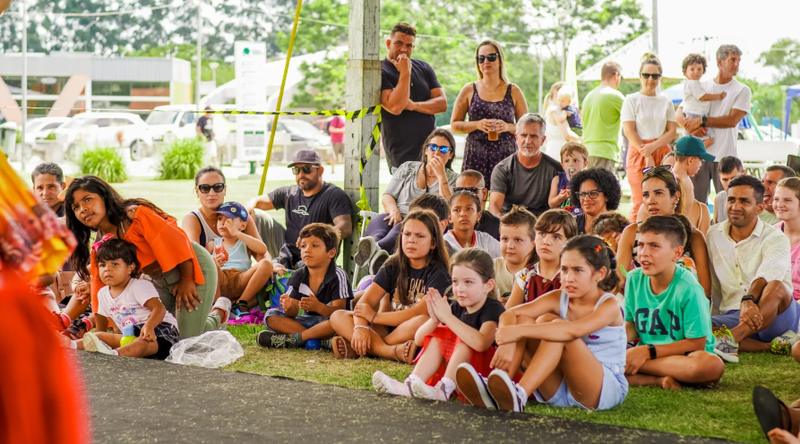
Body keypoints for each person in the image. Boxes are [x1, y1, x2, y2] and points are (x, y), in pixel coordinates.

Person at [459, 235, 627, 412]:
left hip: (601, 390)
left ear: (599, 274)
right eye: (564, 269)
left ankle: (520, 394)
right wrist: (508, 341)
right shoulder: (558, 298)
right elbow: (510, 314)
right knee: (529, 320)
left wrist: (518, 332)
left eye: (577, 270)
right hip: (561, 387)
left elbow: (572, 331)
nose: (568, 278)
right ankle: (500, 384)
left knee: (556, 328)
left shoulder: (609, 305)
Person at [65, 176, 228, 340]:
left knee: (186, 341)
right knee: (167, 335)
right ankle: (199, 321)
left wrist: (186, 279)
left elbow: (179, 241)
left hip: (191, 267)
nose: (83, 209)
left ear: (104, 197)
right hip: (159, 282)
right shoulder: (103, 243)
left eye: (87, 199)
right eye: (76, 207)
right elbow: (100, 289)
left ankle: (218, 315)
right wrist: (101, 334)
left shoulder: (134, 215)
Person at [372, 248, 504, 402]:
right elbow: (419, 339)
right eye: (455, 282)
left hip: (483, 375)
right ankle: (411, 383)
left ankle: (443, 391)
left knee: (463, 341)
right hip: (458, 371)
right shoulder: (456, 307)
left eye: (468, 282)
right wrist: (434, 320)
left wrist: (447, 318)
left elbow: (481, 343)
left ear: (488, 285)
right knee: (438, 335)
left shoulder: (493, 307)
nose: (460, 289)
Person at [330, 210, 450, 363]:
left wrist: (374, 317)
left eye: (420, 236)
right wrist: (360, 328)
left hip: (412, 329)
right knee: (338, 316)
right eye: (407, 234)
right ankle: (389, 351)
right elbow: (364, 304)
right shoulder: (393, 263)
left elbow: (420, 312)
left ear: (433, 243)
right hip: (387, 328)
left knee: (423, 320)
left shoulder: (439, 271)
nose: (411, 240)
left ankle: (364, 348)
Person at [623, 216, 724, 390]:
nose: (644, 253)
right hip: (656, 359)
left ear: (677, 253)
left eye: (654, 246)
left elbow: (696, 343)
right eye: (641, 245)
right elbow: (631, 324)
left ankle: (628, 366)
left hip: (684, 358)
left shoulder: (689, 288)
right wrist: (613, 341)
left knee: (711, 365)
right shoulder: (633, 279)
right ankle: (656, 380)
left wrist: (646, 352)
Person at [707, 175, 800, 362]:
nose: (735, 206)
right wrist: (713, 317)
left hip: (777, 316)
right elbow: (715, 284)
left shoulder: (774, 236)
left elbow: (769, 272)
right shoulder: (713, 234)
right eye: (731, 199)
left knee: (776, 286)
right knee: (698, 325)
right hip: (734, 315)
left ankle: (730, 338)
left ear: (759, 208)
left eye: (744, 201)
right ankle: (770, 346)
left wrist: (748, 300)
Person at [357, 128, 458, 264]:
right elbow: (388, 195)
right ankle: (374, 252)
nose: (437, 152)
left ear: (451, 155)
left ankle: (377, 252)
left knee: (407, 225)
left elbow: (448, 209)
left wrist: (441, 175)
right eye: (432, 147)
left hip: (426, 224)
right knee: (381, 222)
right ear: (426, 150)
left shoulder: (453, 179)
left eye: (443, 149)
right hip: (396, 215)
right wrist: (393, 210)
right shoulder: (407, 168)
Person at [617, 166, 712, 297]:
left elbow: (705, 289)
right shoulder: (631, 233)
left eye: (658, 193)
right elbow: (618, 279)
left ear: (675, 196)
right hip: (642, 308)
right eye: (646, 195)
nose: (651, 200)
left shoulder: (693, 236)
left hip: (683, 309)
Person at [248, 149, 352, 269]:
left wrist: (314, 235)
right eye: (297, 170)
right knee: (254, 214)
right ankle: (262, 264)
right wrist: (239, 214)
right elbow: (254, 201)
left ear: (320, 171)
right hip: (286, 250)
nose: (301, 174)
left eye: (307, 169)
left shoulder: (334, 195)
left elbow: (345, 227)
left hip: (315, 254)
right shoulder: (289, 192)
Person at [79, 239, 180, 360]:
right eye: (102, 265)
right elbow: (108, 325)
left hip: (159, 329)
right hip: (130, 334)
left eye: (115, 264)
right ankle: (69, 345)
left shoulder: (138, 286)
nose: (107, 269)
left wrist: (149, 326)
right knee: (98, 335)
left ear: (130, 267)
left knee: (141, 343)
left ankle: (114, 356)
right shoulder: (102, 294)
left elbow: (159, 309)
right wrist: (100, 340)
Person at [257, 223, 353, 349]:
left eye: (314, 245)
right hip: (307, 322)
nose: (307, 249)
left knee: (337, 322)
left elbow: (340, 312)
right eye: (303, 246)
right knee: (271, 316)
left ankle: (296, 339)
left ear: (331, 253)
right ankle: (319, 341)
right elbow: (293, 312)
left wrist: (318, 307)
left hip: (330, 323)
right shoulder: (298, 275)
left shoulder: (338, 275)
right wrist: (288, 307)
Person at [677, 45, 752, 204]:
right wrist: (688, 125)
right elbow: (680, 111)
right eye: (733, 60)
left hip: (726, 156)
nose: (736, 64)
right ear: (720, 61)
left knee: (729, 204)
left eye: (738, 61)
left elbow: (732, 120)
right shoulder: (700, 85)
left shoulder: (742, 90)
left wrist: (702, 121)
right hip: (699, 156)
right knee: (694, 203)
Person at [451, 39, 528, 188]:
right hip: (475, 153)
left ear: (500, 61)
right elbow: (454, 125)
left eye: (491, 57)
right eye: (481, 58)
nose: (486, 61)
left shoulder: (513, 90)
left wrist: (506, 127)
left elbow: (526, 128)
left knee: (506, 201)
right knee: (472, 199)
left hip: (506, 154)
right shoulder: (469, 89)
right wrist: (477, 125)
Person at [380, 22, 447, 171]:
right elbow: (395, 107)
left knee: (438, 194)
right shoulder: (380, 70)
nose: (404, 49)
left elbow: (442, 104)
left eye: (409, 45)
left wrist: (413, 105)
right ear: (388, 43)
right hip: (402, 157)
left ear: (413, 47)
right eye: (398, 43)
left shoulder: (424, 67)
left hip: (432, 153)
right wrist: (405, 72)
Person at [182, 166, 282, 260]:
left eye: (217, 187)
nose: (211, 193)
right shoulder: (193, 219)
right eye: (205, 188)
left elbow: (261, 252)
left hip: (241, 275)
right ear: (197, 192)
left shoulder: (239, 215)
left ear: (225, 190)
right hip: (211, 275)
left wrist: (270, 266)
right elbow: (195, 256)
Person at [622, 55, 678, 221]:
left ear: (660, 78)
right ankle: (634, 241)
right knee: (641, 201)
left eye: (655, 76)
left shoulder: (665, 101)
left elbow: (671, 131)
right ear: (640, 76)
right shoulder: (631, 100)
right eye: (646, 75)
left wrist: (653, 148)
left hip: (662, 149)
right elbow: (629, 131)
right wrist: (646, 153)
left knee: (665, 200)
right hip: (639, 150)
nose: (650, 79)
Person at [206, 202, 272, 319]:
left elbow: (263, 249)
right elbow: (202, 264)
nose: (223, 223)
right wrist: (214, 262)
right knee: (210, 260)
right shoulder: (213, 244)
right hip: (220, 280)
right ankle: (218, 305)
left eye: (229, 220)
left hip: (241, 279)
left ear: (242, 226)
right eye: (220, 219)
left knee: (266, 264)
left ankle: (241, 303)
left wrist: (236, 233)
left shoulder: (245, 243)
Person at [489, 113, 564, 217]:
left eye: (533, 136)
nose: (528, 141)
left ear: (542, 140)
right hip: (510, 223)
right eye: (523, 135)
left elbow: (561, 208)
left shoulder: (556, 169)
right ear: (516, 138)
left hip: (542, 226)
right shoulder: (502, 169)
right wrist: (506, 227)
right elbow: (494, 209)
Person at [505, 209, 577, 309]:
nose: (546, 242)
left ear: (569, 242)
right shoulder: (525, 275)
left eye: (556, 237)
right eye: (542, 234)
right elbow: (508, 314)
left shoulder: (572, 275)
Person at [644, 136, 714, 234]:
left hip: (681, 228)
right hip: (672, 231)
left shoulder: (685, 178)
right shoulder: (675, 180)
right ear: (690, 160)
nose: (701, 165)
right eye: (701, 161)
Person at [581, 62, 625, 172]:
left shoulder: (588, 96)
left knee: (591, 188)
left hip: (587, 151)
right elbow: (634, 118)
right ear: (616, 76)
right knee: (604, 188)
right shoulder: (615, 95)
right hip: (605, 152)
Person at [681, 54, 727, 149]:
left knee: (691, 137)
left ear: (703, 70)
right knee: (710, 138)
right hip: (696, 115)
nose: (696, 72)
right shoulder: (693, 84)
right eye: (692, 69)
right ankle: (697, 153)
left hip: (690, 113)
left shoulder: (689, 83)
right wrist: (718, 96)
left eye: (699, 69)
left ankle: (690, 152)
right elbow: (702, 97)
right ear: (685, 72)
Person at [495, 206, 537, 301]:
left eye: (518, 240)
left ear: (533, 244)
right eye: (505, 239)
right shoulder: (490, 269)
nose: (510, 246)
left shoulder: (539, 272)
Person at [444, 191, 501, 259]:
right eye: (457, 210)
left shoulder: (486, 241)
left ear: (478, 216)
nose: (463, 214)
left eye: (469, 209)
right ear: (449, 217)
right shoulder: (444, 243)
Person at [568, 167, 622, 235]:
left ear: (607, 196)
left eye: (593, 193)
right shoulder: (570, 225)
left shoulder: (620, 228)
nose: (586, 199)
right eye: (582, 194)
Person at [774, 177, 800, 302]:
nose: (779, 205)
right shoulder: (770, 235)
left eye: (787, 200)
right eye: (776, 199)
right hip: (773, 303)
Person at [455, 170, 500, 240]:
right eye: (459, 191)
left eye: (471, 190)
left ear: (484, 193)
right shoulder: (448, 224)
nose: (464, 195)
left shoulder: (498, 226)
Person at [548, 142, 589, 212]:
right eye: (567, 161)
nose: (571, 164)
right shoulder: (557, 180)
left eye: (575, 160)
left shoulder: (587, 181)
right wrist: (560, 197)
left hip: (580, 218)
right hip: (561, 218)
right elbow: (551, 204)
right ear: (562, 165)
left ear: (585, 164)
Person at [544, 86, 581, 159]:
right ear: (556, 94)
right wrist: (580, 138)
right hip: (560, 148)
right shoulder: (558, 111)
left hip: (551, 148)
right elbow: (567, 135)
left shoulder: (550, 110)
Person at [714, 156, 745, 224]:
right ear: (719, 177)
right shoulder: (719, 198)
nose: (730, 183)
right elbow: (715, 226)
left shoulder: (755, 196)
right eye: (725, 179)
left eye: (734, 178)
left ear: (743, 173)